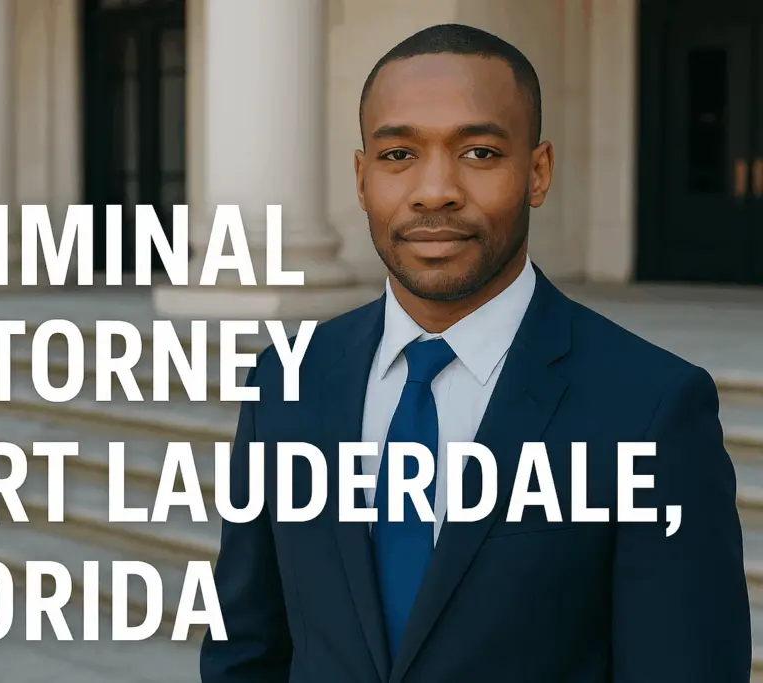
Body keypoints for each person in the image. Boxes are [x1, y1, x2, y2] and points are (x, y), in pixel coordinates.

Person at [200, 22, 751, 683]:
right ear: (360, 175)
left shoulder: (652, 411)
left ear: (538, 172)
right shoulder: (285, 380)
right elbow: (246, 651)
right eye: (398, 155)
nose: (435, 190)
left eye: (480, 153)